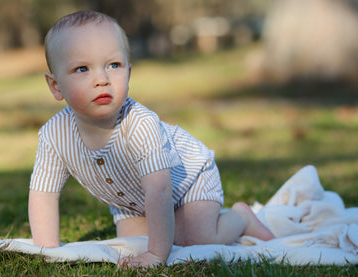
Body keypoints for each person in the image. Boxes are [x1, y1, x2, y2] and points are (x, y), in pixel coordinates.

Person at [28, 10, 275, 268]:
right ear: (56, 86)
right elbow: (43, 193)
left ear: (129, 72)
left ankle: (241, 218)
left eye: (114, 65)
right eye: (82, 69)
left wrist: (157, 255)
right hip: (132, 201)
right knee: (133, 244)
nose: (102, 80)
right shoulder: (54, 134)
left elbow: (159, 189)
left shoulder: (140, 125)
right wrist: (47, 250)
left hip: (190, 180)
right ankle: (177, 228)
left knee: (197, 240)